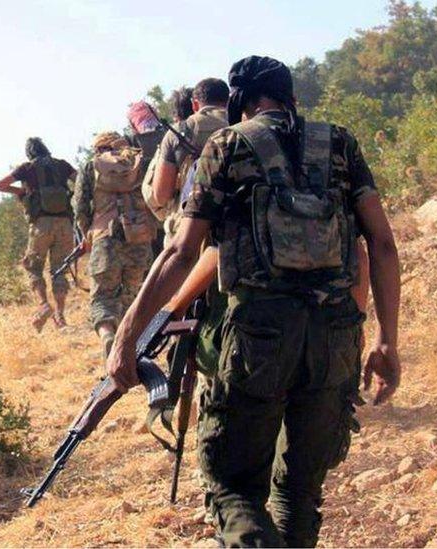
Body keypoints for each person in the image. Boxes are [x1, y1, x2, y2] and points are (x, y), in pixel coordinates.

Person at [105, 56, 401, 547]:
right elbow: (383, 245)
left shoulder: (228, 145)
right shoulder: (341, 144)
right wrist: (387, 340)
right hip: (336, 337)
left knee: (232, 489)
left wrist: (128, 335)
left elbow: (181, 250)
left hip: (258, 339)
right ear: (292, 98)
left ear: (240, 103)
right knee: (300, 495)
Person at [73, 131, 156, 357]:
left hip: (105, 238)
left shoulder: (91, 167)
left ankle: (108, 336)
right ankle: (129, 349)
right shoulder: (141, 162)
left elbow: (80, 208)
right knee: (132, 295)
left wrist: (87, 234)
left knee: (102, 299)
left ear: (98, 149)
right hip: (139, 237)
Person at [0, 137, 77, 331]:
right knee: (59, 270)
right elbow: (81, 180)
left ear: (29, 153)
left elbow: (0, 185)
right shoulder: (62, 165)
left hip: (41, 224)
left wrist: (23, 192)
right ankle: (61, 316)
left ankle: (44, 305)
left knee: (33, 267)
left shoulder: (26, 168)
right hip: (65, 224)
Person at [150, 78, 230, 245]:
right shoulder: (243, 126)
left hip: (188, 232)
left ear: (194, 104)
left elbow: (161, 195)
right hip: (232, 228)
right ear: (228, 101)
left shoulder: (180, 131)